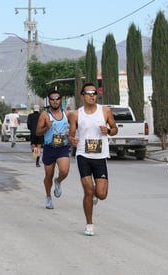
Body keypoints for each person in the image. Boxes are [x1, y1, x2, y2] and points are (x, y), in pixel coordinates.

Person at [68, 82, 118, 236]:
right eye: (88, 93)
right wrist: (72, 140)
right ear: (82, 96)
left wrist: (108, 130)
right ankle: (89, 224)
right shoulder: (76, 114)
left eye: (94, 93)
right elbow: (70, 134)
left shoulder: (105, 111)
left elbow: (115, 129)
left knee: (101, 194)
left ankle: (97, 193)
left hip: (100, 155)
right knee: (88, 191)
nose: (92, 95)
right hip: (83, 154)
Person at [36, 90, 71, 209]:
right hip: (49, 148)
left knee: (64, 171)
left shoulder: (67, 113)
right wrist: (47, 127)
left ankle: (58, 181)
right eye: (52, 99)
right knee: (48, 175)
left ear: (61, 100)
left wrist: (71, 134)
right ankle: (48, 197)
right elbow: (38, 132)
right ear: (49, 100)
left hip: (63, 147)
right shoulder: (45, 115)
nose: (55, 101)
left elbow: (74, 127)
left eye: (57, 99)